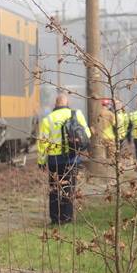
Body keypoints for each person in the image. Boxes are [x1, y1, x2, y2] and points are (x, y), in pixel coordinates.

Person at [36, 92, 91, 225]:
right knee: (69, 188)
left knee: (55, 189)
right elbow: (87, 134)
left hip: (54, 160)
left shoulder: (47, 119)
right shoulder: (76, 114)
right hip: (72, 159)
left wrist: (41, 161)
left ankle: (55, 218)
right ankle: (67, 218)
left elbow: (43, 142)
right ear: (67, 103)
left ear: (55, 104)